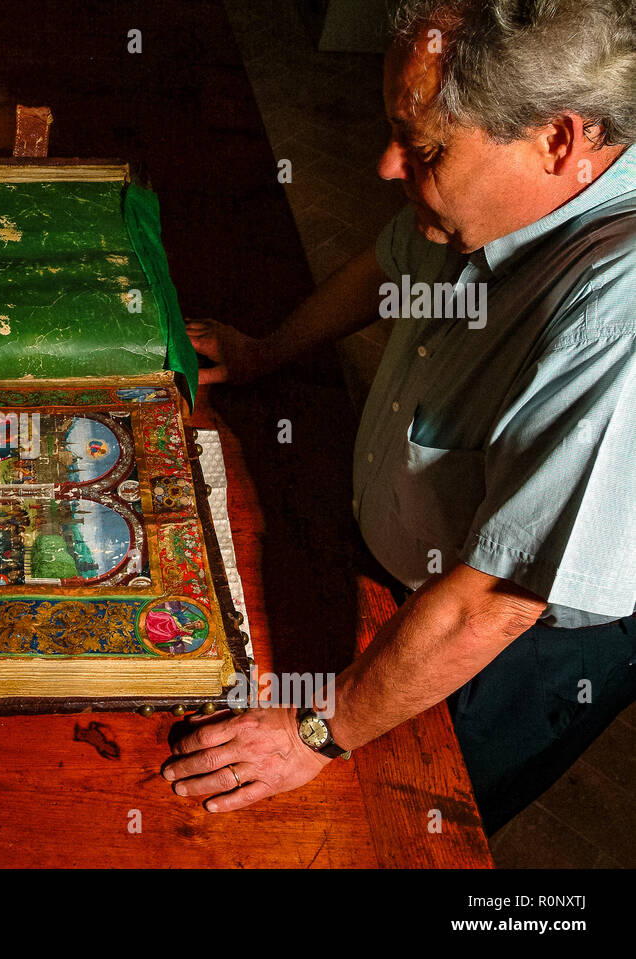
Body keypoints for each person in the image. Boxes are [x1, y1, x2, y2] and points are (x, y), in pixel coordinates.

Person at [165, 0, 636, 834]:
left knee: (405, 818)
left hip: (523, 647)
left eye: (422, 147)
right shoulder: (481, 194)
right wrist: (268, 351)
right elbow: (390, 261)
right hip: (414, 572)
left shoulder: (618, 311)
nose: (388, 165)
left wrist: (317, 731)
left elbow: (496, 597)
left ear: (559, 142)